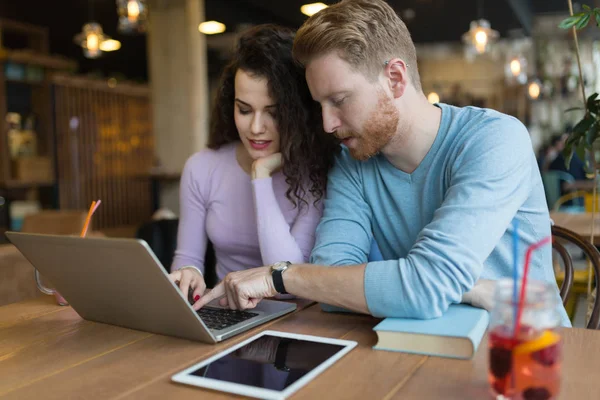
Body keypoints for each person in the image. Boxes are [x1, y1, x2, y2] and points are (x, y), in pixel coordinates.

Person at [195, 0, 570, 326]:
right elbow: (331, 287)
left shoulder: (494, 140)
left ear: (395, 78)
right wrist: (462, 286)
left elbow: (421, 287)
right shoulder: (353, 161)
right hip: (418, 347)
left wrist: (282, 278)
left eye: (339, 100)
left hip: (529, 354)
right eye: (320, 105)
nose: (327, 124)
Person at [168, 24, 338, 302]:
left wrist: (260, 176)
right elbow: (187, 257)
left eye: (273, 113)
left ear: (297, 113)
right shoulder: (201, 168)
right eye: (244, 110)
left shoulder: (317, 173)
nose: (256, 127)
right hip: (228, 315)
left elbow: (287, 284)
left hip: (297, 322)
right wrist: (188, 273)